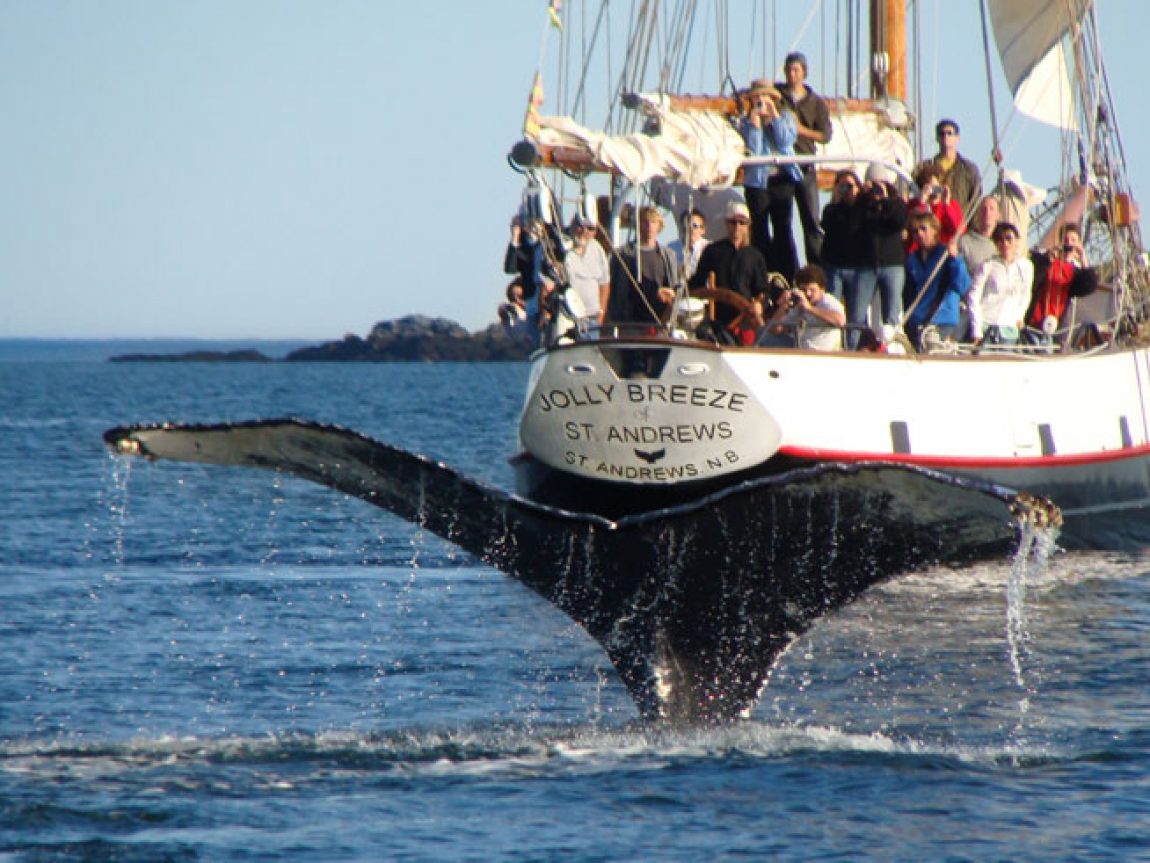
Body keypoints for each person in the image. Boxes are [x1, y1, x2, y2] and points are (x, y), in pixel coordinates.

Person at [738, 79, 801, 280]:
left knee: (783, 227)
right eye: (757, 98)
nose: (761, 102)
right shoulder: (745, 123)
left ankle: (789, 274)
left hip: (782, 179)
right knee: (760, 228)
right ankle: (762, 272)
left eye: (765, 97)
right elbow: (753, 152)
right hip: (758, 181)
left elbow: (785, 140)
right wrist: (755, 126)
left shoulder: (786, 117)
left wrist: (773, 117)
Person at [776, 51, 833, 266]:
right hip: (782, 167)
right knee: (782, 223)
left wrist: (799, 131)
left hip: (805, 165)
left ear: (804, 73)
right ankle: (788, 269)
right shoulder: (778, 96)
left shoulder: (815, 103)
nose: (792, 74)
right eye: (789, 70)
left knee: (811, 221)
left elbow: (825, 135)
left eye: (796, 70)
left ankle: (816, 270)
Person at [846, 162, 908, 349]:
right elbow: (852, 228)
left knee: (892, 313)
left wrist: (886, 200)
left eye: (879, 184)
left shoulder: (896, 204)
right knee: (857, 313)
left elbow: (898, 222)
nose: (876, 190)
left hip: (892, 265)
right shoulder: (862, 206)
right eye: (872, 185)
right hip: (866, 266)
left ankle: (892, 348)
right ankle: (851, 349)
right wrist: (863, 199)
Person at [689, 200, 769, 343]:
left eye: (742, 222)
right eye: (733, 222)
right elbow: (697, 283)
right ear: (726, 224)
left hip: (745, 322)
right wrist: (678, 292)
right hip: (716, 322)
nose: (737, 226)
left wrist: (759, 305)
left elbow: (762, 292)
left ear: (748, 225)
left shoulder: (755, 256)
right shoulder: (712, 251)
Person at [903, 211, 971, 349]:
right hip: (918, 321)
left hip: (942, 320)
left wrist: (955, 259)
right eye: (915, 231)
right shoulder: (912, 259)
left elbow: (962, 286)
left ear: (935, 230)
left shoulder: (945, 254)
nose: (919, 234)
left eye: (923, 229)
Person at [606, 205, 681, 326]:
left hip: (660, 321)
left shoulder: (668, 256)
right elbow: (611, 288)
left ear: (659, 225)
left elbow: (675, 287)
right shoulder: (621, 254)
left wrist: (670, 294)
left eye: (653, 222)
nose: (649, 227)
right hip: (629, 322)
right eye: (645, 222)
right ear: (638, 225)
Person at [1025, 222, 1099, 342]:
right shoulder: (1047, 261)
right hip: (1033, 322)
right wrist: (1048, 258)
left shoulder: (1074, 272)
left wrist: (1083, 258)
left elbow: (1090, 285)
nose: (1069, 243)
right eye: (1065, 239)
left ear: (1079, 244)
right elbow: (1034, 279)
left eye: (1073, 240)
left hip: (1054, 325)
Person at [967, 222, 1034, 346]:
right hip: (986, 325)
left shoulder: (1026, 266)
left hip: (1009, 328)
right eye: (999, 239)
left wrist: (1019, 315)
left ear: (1017, 241)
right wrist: (976, 329)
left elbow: (1026, 294)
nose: (1005, 243)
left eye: (1008, 238)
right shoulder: (987, 265)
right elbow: (973, 296)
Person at [762, 264, 845, 351]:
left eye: (812, 290)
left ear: (822, 289)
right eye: (804, 290)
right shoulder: (798, 301)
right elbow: (775, 329)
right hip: (801, 351)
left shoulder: (828, 301)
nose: (808, 294)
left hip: (825, 353)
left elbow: (840, 321)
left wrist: (809, 308)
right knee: (764, 334)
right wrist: (784, 306)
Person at [914, 118, 982, 221]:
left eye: (950, 133)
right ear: (937, 138)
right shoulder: (924, 167)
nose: (946, 136)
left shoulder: (969, 169)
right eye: (942, 133)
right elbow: (913, 193)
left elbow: (976, 200)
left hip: (958, 226)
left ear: (957, 138)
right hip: (931, 225)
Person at [503, 215, 563, 326]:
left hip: (549, 299)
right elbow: (510, 268)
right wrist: (515, 237)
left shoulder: (551, 243)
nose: (530, 229)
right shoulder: (524, 249)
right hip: (532, 301)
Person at [820, 168, 864, 301]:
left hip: (856, 266)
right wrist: (837, 201)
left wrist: (857, 199)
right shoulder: (831, 209)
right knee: (833, 304)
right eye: (842, 186)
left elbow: (854, 226)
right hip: (834, 265)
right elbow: (826, 225)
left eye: (849, 186)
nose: (846, 190)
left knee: (856, 310)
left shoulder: (862, 209)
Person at [563, 214, 611, 329]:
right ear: (573, 226)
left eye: (590, 228)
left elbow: (604, 284)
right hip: (567, 317)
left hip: (593, 318)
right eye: (580, 226)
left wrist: (601, 313)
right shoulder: (562, 249)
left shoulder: (597, 249)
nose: (585, 231)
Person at [907, 163, 963, 252]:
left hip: (942, 253)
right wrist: (921, 202)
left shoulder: (952, 205)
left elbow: (957, 231)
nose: (934, 191)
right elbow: (911, 228)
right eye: (931, 187)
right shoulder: (913, 204)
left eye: (937, 187)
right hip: (919, 254)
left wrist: (947, 205)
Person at [959, 195, 1001, 276]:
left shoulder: (1002, 245)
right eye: (983, 209)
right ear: (978, 213)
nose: (987, 212)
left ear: (998, 215)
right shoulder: (964, 242)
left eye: (991, 209)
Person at [667, 208, 710, 281]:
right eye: (686, 224)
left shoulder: (709, 248)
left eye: (694, 226)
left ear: (703, 230)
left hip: (701, 289)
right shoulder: (671, 248)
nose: (690, 229)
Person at [497, 278, 532, 343]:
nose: (518, 302)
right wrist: (504, 316)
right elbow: (516, 335)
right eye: (514, 300)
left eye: (522, 297)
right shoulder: (518, 326)